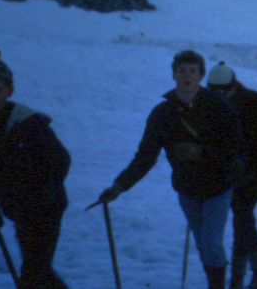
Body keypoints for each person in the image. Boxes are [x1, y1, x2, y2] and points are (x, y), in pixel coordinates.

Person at [97, 51, 244, 289]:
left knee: (211, 242)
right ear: (174, 74)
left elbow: (236, 146)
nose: (187, 76)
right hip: (187, 187)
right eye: (182, 70)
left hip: (218, 184)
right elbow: (145, 156)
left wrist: (202, 153)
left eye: (192, 71)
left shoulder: (218, 106)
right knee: (202, 243)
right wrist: (119, 186)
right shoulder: (162, 114)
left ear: (201, 75)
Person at [0, 50, 71, 288]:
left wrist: (33, 189)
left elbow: (61, 161)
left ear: (9, 91)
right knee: (37, 270)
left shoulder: (29, 124)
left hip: (46, 207)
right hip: (20, 209)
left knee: (33, 272)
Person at [206, 62, 257, 289]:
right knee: (243, 221)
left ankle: (247, 277)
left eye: (223, 90)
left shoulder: (253, 105)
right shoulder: (212, 106)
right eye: (215, 91)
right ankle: (250, 277)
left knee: (242, 218)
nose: (220, 95)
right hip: (233, 175)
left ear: (233, 87)